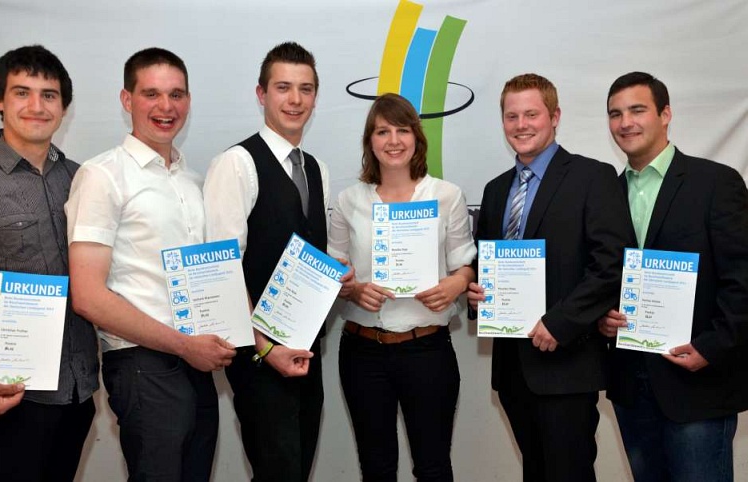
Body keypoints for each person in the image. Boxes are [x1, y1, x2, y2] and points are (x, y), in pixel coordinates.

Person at [66, 47, 236, 481]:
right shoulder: (102, 176)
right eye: (152, 94)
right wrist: (183, 346)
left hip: (196, 362)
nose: (166, 106)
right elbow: (87, 296)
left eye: (176, 94)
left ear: (189, 101)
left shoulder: (193, 181)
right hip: (143, 366)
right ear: (127, 100)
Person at [467, 73, 632, 482]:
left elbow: (611, 264)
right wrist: (477, 296)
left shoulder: (592, 177)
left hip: (567, 366)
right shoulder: (495, 190)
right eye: (511, 116)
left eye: (531, 114)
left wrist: (560, 322)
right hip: (512, 370)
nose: (521, 125)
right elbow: (486, 264)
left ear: (555, 116)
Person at [0, 45, 99, 482]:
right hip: (10, 401)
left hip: (78, 392)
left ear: (64, 107)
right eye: (21, 92)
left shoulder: (81, 179)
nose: (36, 106)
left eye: (49, 95)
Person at [204, 41, 352, 482]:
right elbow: (222, 270)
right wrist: (265, 348)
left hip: (306, 350)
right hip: (260, 355)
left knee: (297, 468)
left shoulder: (317, 169)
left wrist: (337, 280)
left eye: (305, 89)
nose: (295, 99)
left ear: (315, 97)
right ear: (261, 94)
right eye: (283, 87)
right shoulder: (236, 163)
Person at [599, 71, 748, 482]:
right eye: (615, 113)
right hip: (631, 383)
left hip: (697, 380)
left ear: (665, 114)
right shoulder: (605, 194)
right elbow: (604, 275)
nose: (625, 122)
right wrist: (601, 317)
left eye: (637, 110)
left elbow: (742, 278)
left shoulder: (715, 183)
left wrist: (711, 348)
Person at [328, 93, 476, 481]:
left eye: (402, 130)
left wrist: (456, 283)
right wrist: (353, 289)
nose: (393, 141)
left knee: (433, 466)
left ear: (416, 138)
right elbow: (333, 273)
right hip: (363, 352)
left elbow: (465, 265)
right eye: (382, 132)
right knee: (376, 468)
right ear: (369, 141)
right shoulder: (348, 200)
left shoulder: (446, 195)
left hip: (426, 350)